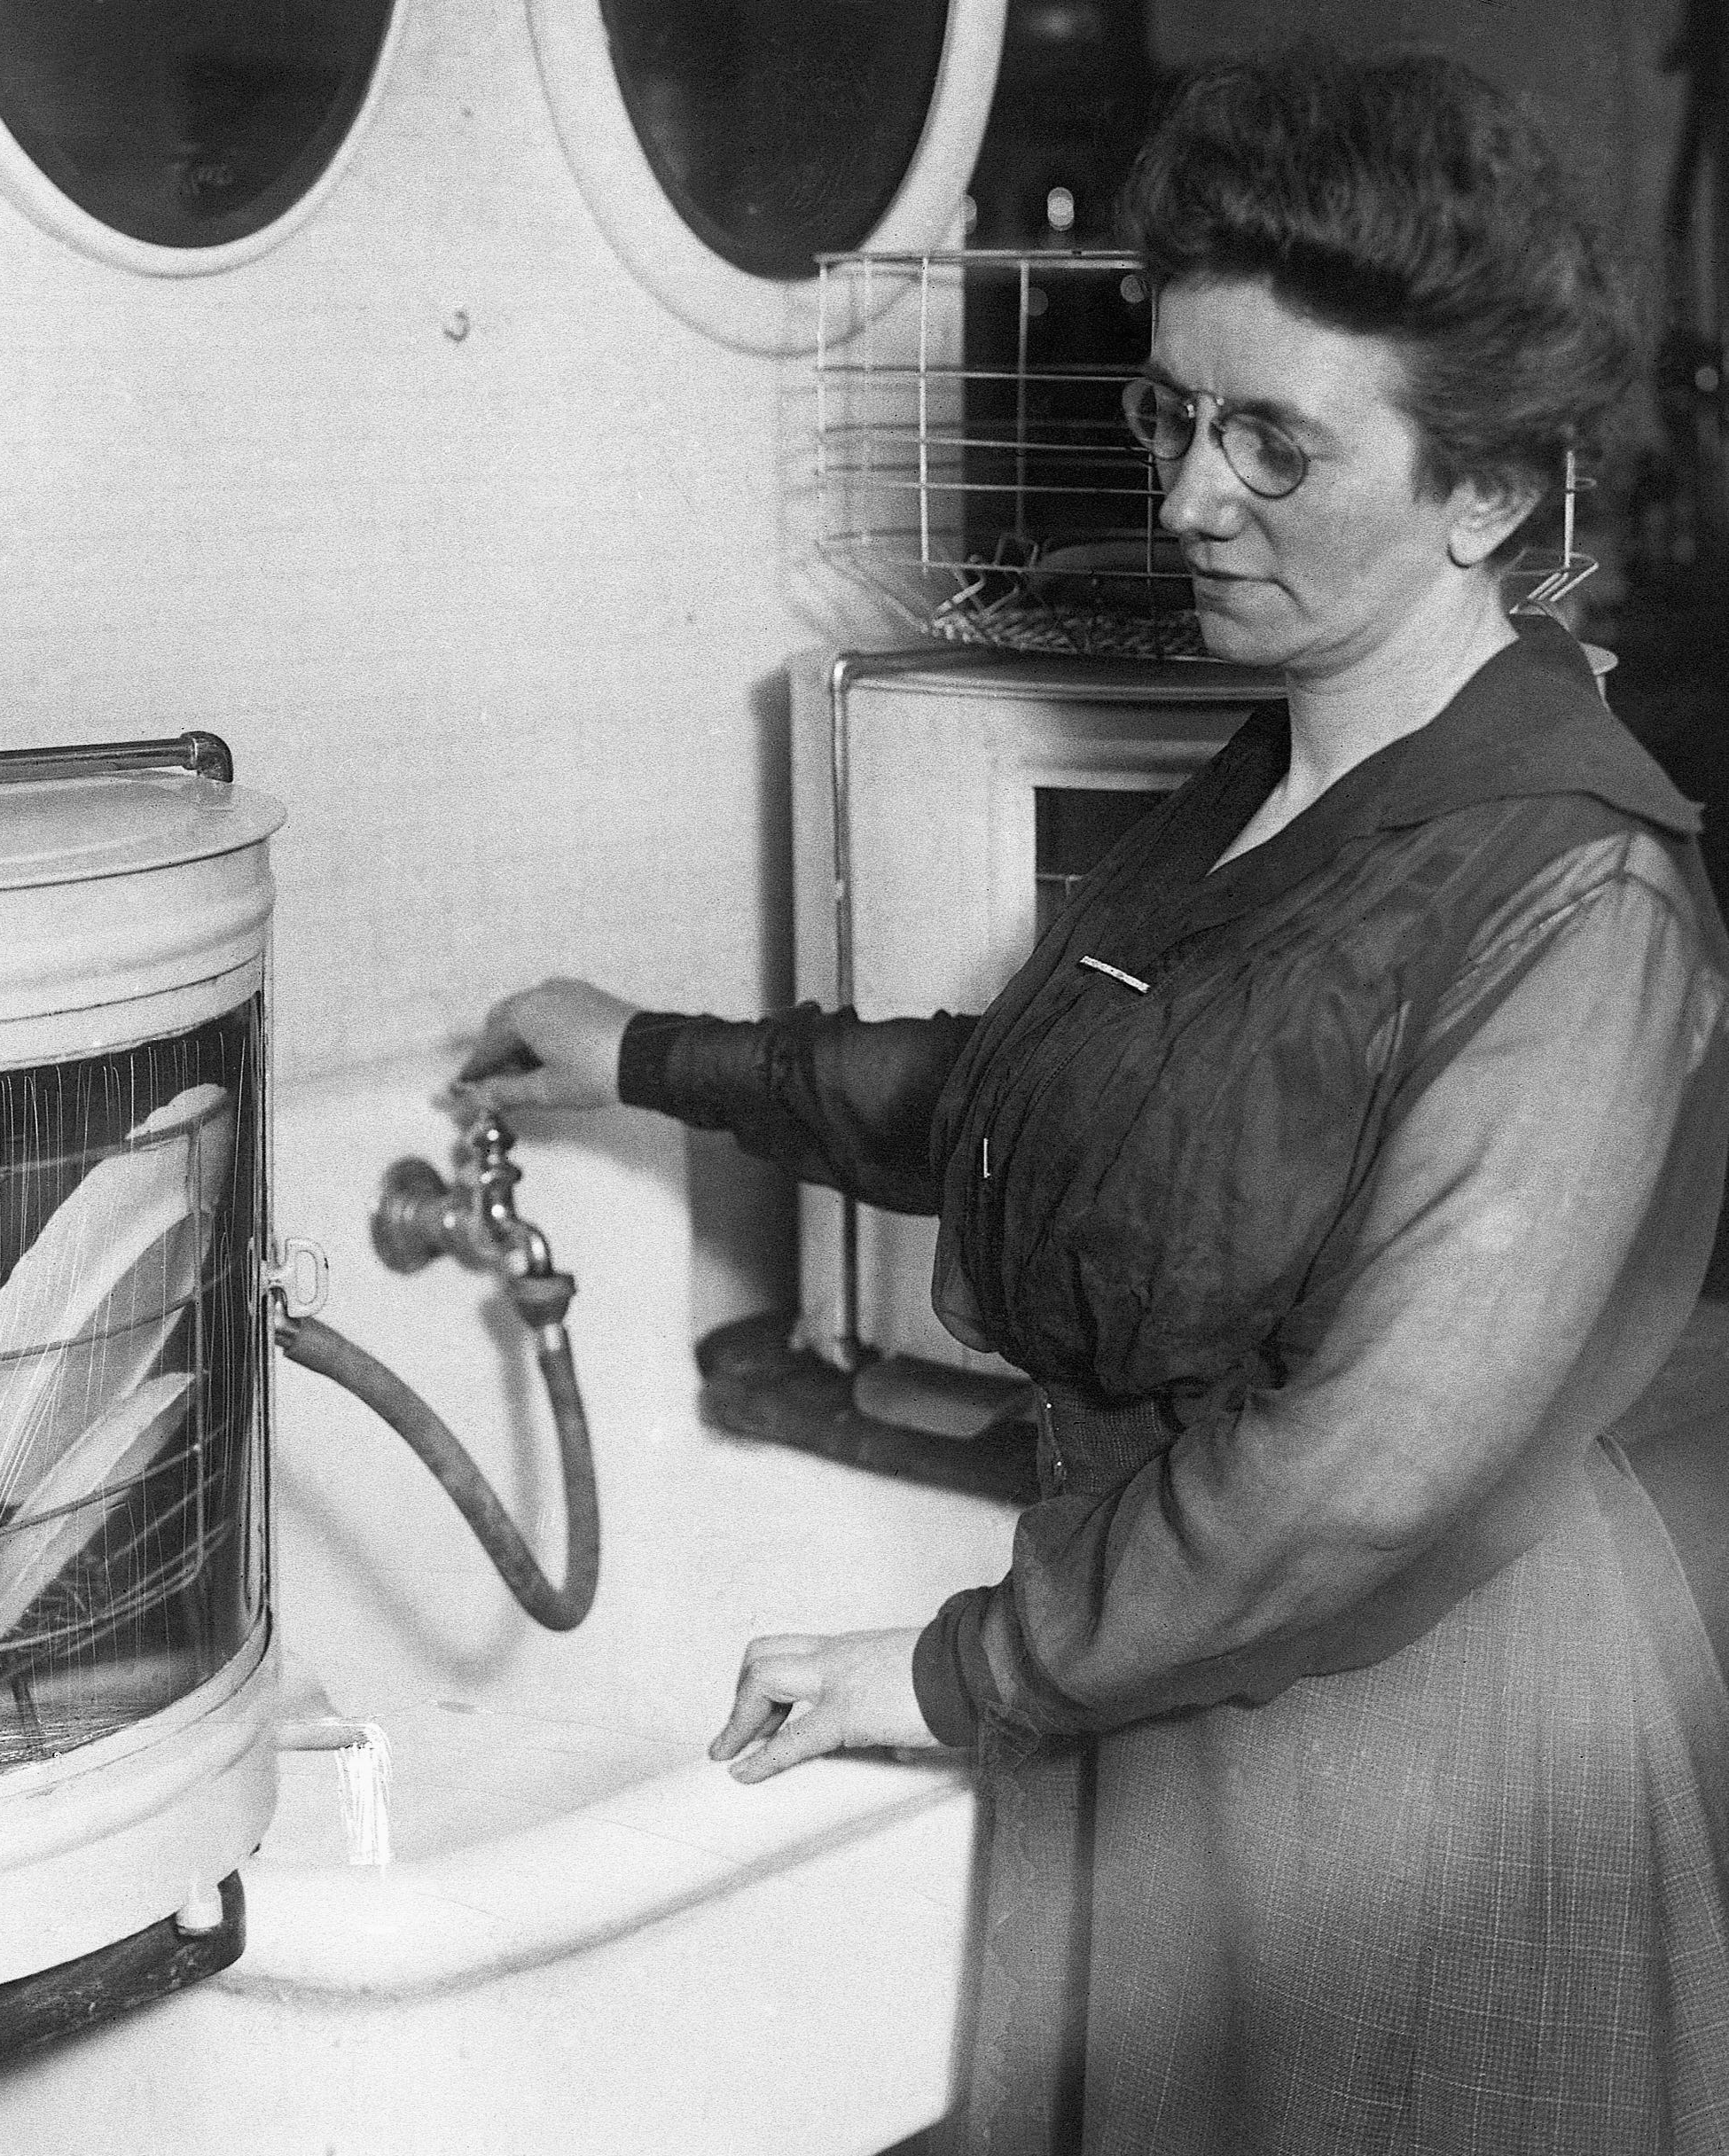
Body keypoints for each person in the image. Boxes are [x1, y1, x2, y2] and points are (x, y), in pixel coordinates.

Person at [458, 50, 1729, 2156]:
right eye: (1170, 414)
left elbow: (1369, 1473)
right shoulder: (1276, 773)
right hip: (1169, 1687)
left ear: (1480, 495)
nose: (1182, 501)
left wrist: (952, 1670)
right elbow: (1043, 1104)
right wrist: (647, 1056)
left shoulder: (1581, 889)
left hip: (1401, 1759)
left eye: (1271, 445)